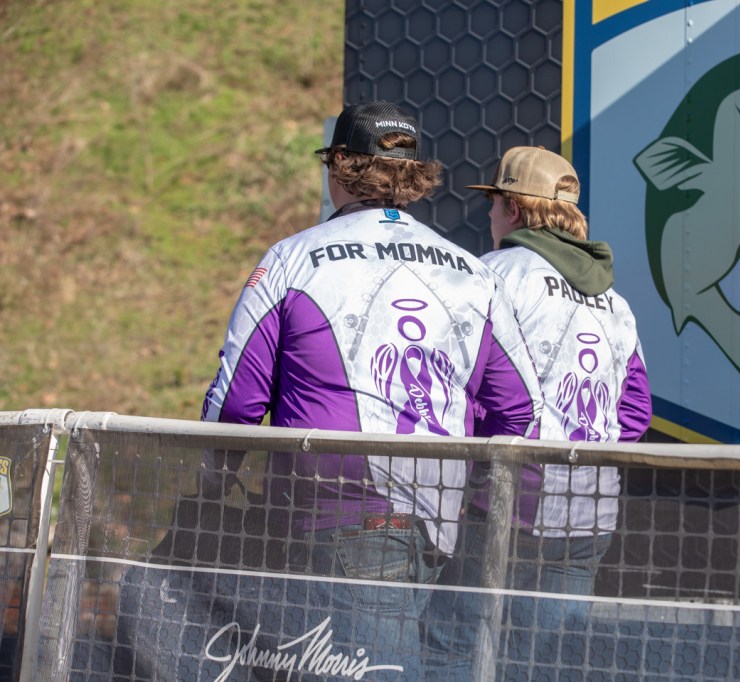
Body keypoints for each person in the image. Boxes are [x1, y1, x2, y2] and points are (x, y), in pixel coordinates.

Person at [114, 101, 544, 681]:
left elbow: (237, 401)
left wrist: (214, 483)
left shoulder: (292, 259)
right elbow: (521, 409)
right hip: (436, 525)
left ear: (340, 164)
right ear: (412, 175)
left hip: (335, 514)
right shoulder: (474, 272)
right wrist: (469, 492)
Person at [424, 146, 652, 680]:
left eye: (494, 202)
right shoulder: (615, 302)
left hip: (503, 502)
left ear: (515, 209)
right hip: (590, 512)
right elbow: (637, 412)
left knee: (451, 648)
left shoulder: (493, 274)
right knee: (548, 662)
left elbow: (458, 382)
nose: (488, 214)